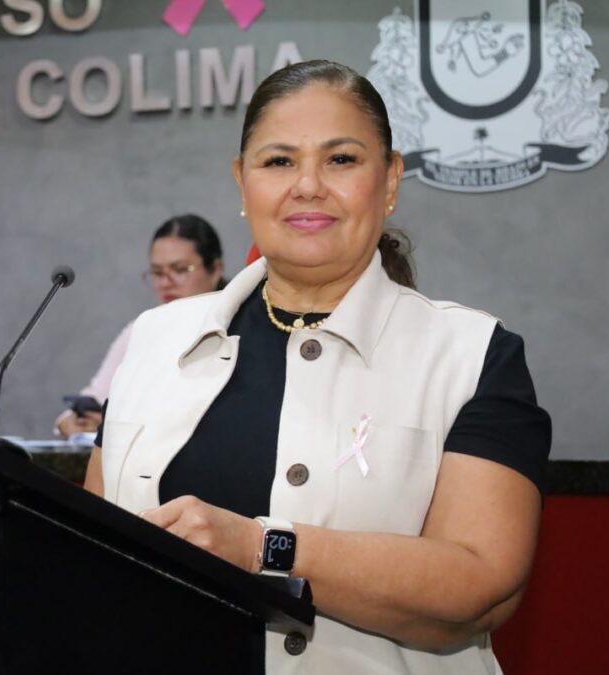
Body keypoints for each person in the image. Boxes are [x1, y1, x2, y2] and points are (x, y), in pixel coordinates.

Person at [85, 60, 550, 673]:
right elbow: (87, 550)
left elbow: (480, 584)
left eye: (341, 160)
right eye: (278, 162)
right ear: (242, 183)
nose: (307, 185)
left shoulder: (472, 354)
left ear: (389, 182)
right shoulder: (155, 339)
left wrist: (262, 546)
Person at [55, 215, 225, 436]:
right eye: (157, 272)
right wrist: (72, 421)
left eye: (180, 269)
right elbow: (96, 396)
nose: (165, 282)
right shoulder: (141, 330)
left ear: (216, 270)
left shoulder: (239, 327)